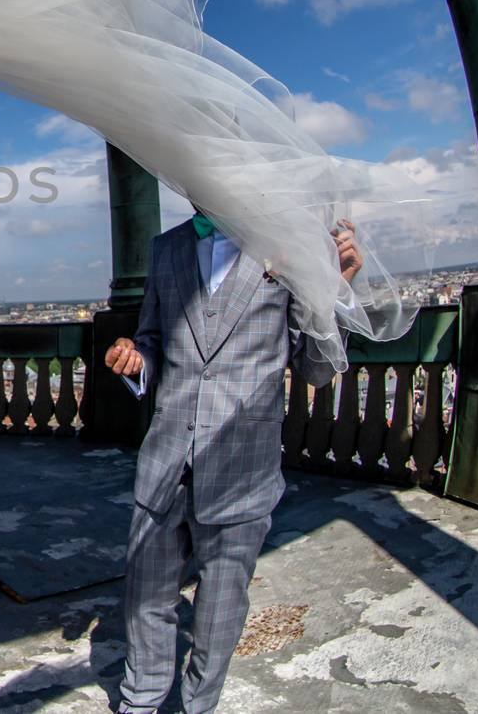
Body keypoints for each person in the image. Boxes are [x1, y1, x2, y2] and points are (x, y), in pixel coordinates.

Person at [103, 211, 364, 714]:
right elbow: (154, 337)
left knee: (219, 611)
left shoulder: (287, 244)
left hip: (243, 467)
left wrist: (332, 295)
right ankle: (138, 703)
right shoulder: (167, 248)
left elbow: (314, 369)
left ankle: (199, 706)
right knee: (144, 599)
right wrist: (137, 355)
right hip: (164, 461)